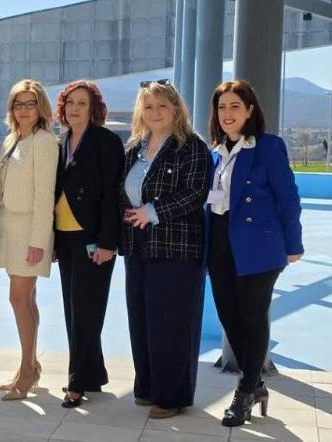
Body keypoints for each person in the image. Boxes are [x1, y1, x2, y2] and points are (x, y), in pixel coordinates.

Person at [205, 80, 303, 427]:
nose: (227, 113)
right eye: (222, 107)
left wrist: (293, 244)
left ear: (249, 110)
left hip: (258, 245)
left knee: (253, 316)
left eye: (235, 106)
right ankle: (257, 384)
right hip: (219, 243)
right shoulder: (215, 152)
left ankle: (245, 393)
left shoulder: (267, 147)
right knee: (229, 317)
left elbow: (288, 198)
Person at [120, 79, 210, 419]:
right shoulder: (134, 147)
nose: (155, 112)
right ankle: (147, 387)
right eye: (148, 106)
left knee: (171, 323)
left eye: (162, 105)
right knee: (141, 318)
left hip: (176, 248)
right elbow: (122, 190)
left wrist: (152, 212)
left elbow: (195, 192)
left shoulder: (192, 146)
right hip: (137, 246)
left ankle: (171, 397)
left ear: (175, 109)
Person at [52, 80, 124, 408]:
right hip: (65, 236)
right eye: (70, 103)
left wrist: (108, 242)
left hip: (93, 238)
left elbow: (112, 196)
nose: (74, 109)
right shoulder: (61, 141)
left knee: (86, 312)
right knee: (74, 310)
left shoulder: (105, 141)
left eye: (82, 103)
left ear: (93, 108)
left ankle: (76, 382)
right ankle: (92, 374)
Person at [0, 79, 58, 400]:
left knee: (18, 298)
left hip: (30, 229)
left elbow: (45, 196)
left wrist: (38, 241)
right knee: (26, 299)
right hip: (10, 227)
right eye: (19, 104)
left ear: (41, 107)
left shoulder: (44, 142)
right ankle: (29, 366)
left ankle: (28, 370)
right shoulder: (13, 139)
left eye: (31, 104)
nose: (24, 110)